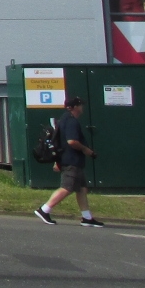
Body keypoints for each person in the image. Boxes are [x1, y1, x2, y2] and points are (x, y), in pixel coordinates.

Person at [35, 96, 102, 227]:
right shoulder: (71, 122)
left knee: (81, 189)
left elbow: (59, 142)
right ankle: (44, 210)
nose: (82, 107)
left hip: (70, 160)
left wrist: (57, 161)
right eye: (80, 105)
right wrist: (86, 150)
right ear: (75, 107)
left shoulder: (63, 119)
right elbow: (71, 141)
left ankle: (87, 217)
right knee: (67, 188)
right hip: (72, 161)